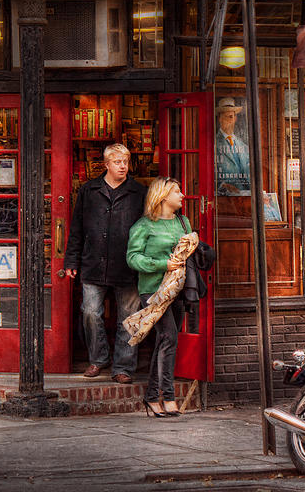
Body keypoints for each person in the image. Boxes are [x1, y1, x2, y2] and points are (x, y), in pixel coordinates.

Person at [65, 143, 147, 384]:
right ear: (107, 165)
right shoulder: (88, 191)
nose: (123, 166)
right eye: (118, 162)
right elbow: (76, 228)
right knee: (90, 313)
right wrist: (71, 259)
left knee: (128, 317)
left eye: (126, 162)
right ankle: (98, 359)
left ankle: (123, 366)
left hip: (128, 264)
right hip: (93, 262)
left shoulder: (138, 192)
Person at [126, 177, 188, 417]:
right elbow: (133, 258)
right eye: (177, 191)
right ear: (163, 197)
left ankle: (153, 397)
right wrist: (163, 264)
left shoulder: (183, 222)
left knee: (166, 340)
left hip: (177, 289)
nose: (182, 195)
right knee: (168, 337)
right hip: (153, 290)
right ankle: (167, 395)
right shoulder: (144, 226)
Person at [215, 97, 250, 196]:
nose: (228, 121)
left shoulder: (243, 146)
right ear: (219, 118)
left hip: (246, 198)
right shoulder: (214, 145)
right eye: (225, 117)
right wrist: (222, 186)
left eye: (230, 117)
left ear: (235, 118)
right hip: (224, 200)